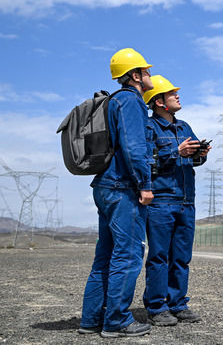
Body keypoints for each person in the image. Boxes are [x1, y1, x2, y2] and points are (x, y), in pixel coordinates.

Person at [79, 48, 155, 338]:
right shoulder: (132, 102)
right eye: (145, 71)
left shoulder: (112, 102)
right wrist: (145, 185)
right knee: (129, 255)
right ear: (135, 76)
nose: (149, 75)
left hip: (104, 187)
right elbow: (135, 149)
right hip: (123, 188)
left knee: (105, 256)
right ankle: (117, 322)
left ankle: (90, 319)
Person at [142, 75, 210, 326]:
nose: (177, 95)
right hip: (161, 201)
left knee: (181, 256)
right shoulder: (149, 128)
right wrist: (176, 151)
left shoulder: (185, 127)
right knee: (159, 256)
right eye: (172, 93)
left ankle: (178, 304)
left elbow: (193, 162)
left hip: (185, 201)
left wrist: (200, 154)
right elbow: (145, 162)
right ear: (159, 102)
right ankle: (157, 307)